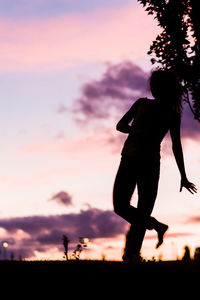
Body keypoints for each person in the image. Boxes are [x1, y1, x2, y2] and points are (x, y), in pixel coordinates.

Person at [113, 69, 197, 262]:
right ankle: (156, 226)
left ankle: (132, 254)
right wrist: (134, 130)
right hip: (129, 158)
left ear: (165, 88)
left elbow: (177, 145)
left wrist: (183, 176)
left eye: (157, 85)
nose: (152, 88)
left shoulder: (172, 114)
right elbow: (120, 125)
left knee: (143, 209)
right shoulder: (141, 103)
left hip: (150, 164)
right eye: (152, 85)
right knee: (120, 206)